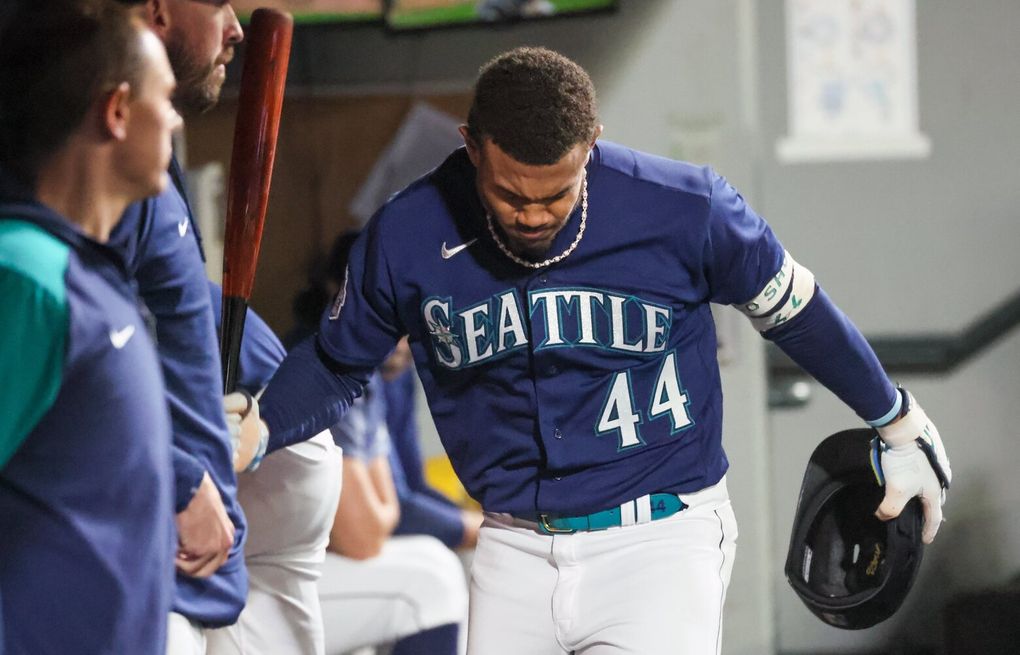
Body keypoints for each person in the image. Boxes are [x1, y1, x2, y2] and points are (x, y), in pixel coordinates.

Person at [252, 47, 952, 654]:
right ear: (471, 147)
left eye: (555, 194)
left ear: (592, 143)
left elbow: (795, 312)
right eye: (508, 195)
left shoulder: (685, 207)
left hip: (658, 538)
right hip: (510, 545)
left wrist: (895, 417)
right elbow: (340, 362)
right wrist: (256, 427)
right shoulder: (408, 233)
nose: (531, 215)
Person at [108, 1, 340, 652]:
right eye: (216, 4)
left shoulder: (149, 146)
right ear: (155, 11)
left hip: (226, 559)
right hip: (151, 551)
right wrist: (180, 468)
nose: (236, 26)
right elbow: (79, 340)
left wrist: (253, 426)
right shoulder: (72, 153)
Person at [0, 2, 182, 652]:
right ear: (117, 111)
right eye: (166, 97)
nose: (178, 117)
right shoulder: (24, 273)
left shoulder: (91, 277)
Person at [318, 344, 468, 655]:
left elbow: (403, 494)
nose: (401, 342)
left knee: (436, 559)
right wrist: (472, 528)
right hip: (260, 575)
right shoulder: (329, 366)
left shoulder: (380, 372)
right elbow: (362, 535)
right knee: (432, 582)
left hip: (315, 560)